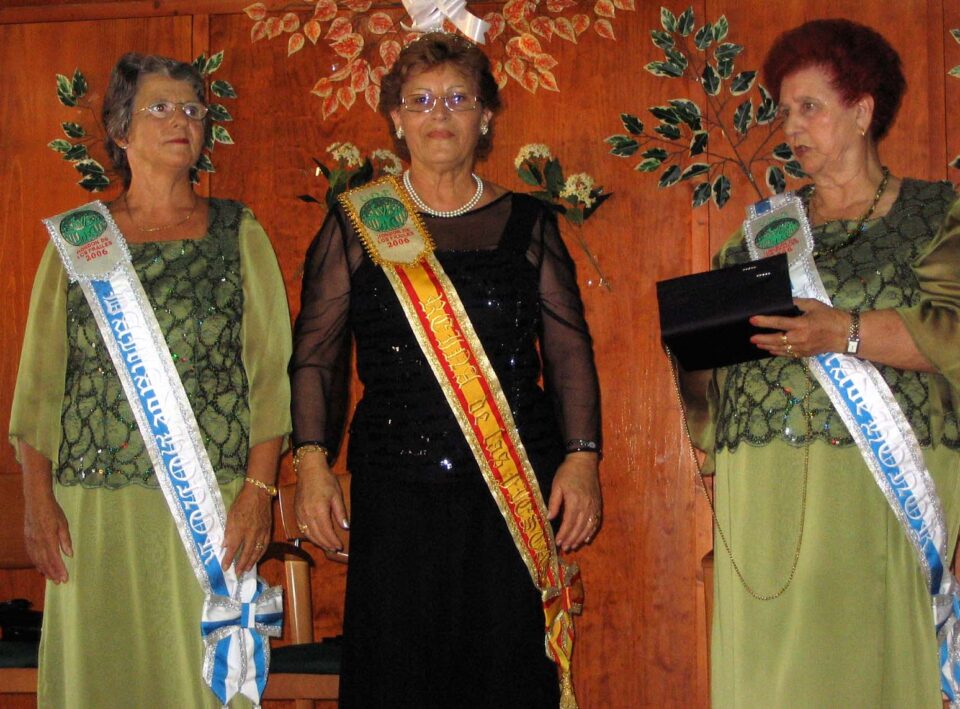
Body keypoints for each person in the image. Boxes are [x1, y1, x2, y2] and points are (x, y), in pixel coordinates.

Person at [289, 32, 602, 708]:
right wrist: (312, 464)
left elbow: (569, 346)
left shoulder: (529, 221)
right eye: (421, 100)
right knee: (400, 672)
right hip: (397, 490)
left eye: (459, 99)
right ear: (396, 119)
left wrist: (581, 458)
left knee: (507, 671)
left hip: (513, 484)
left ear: (486, 116)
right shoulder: (357, 221)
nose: (440, 114)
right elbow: (315, 351)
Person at [682, 19, 960, 708]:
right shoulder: (756, 237)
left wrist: (848, 331)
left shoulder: (935, 215)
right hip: (765, 491)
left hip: (876, 483)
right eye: (783, 111)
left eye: (809, 107)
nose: (791, 127)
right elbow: (704, 372)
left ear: (862, 111)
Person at [9, 53, 291, 707]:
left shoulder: (237, 232)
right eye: (159, 107)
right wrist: (36, 498)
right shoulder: (79, 241)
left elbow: (270, 374)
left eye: (193, 109)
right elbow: (42, 383)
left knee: (198, 681)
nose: (180, 120)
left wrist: (257, 490)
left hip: (210, 503)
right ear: (119, 129)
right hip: (92, 506)